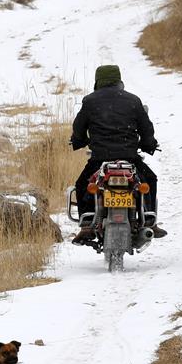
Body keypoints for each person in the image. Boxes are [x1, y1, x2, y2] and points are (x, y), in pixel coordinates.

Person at [70, 64, 166, 244]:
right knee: (150, 180)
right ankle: (150, 220)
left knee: (83, 183)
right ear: (118, 80)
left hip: (100, 159)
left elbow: (78, 128)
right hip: (129, 157)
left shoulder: (89, 101)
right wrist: (149, 144)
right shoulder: (133, 100)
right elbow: (147, 129)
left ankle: (87, 223)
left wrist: (78, 140)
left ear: (98, 81)